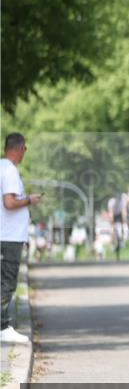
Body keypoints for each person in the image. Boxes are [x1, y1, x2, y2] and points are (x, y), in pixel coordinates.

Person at [1, 133, 42, 345]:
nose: (24, 153)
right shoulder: (9, 170)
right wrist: (29, 200)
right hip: (8, 237)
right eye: (25, 149)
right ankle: (2, 327)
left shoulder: (2, 168)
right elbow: (8, 202)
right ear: (19, 149)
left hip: (6, 235)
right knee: (6, 282)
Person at [108, 192, 127, 258]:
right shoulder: (111, 202)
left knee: (122, 226)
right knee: (113, 228)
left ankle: (122, 240)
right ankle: (113, 243)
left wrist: (124, 219)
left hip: (119, 214)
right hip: (114, 214)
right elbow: (111, 212)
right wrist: (112, 220)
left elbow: (123, 211)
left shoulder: (122, 202)